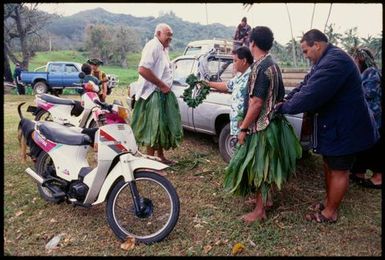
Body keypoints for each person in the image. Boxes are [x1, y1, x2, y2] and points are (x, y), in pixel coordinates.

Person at [275, 29, 379, 223]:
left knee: (339, 169)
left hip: (346, 126)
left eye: (306, 51)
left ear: (317, 45)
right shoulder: (324, 61)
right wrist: (286, 99)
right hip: (334, 125)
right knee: (329, 163)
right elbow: (305, 85)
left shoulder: (335, 62)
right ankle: (328, 201)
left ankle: (330, 213)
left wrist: (283, 108)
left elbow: (311, 95)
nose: (305, 56)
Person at [224, 26, 302, 223]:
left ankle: (260, 211)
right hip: (274, 124)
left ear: (253, 44)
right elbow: (279, 96)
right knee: (268, 166)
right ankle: (265, 201)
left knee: (260, 167)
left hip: (262, 127)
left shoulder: (260, 67)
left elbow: (256, 102)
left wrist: (243, 128)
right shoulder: (273, 65)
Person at [130, 23, 183, 165]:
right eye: (168, 34)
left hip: (161, 93)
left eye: (171, 35)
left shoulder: (163, 48)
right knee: (153, 128)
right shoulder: (153, 46)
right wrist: (161, 84)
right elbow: (142, 69)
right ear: (158, 33)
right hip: (153, 93)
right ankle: (150, 162)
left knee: (160, 128)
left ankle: (160, 157)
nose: (170, 38)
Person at [349, 47, 383, 189]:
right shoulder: (363, 73)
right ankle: (359, 173)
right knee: (364, 146)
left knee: (374, 148)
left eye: (354, 59)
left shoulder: (372, 73)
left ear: (361, 59)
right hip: (366, 117)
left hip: (374, 118)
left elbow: (369, 93)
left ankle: (378, 178)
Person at [205, 47, 253, 137]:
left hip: (244, 127)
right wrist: (208, 84)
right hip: (236, 125)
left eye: (235, 61)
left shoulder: (251, 77)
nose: (233, 64)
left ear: (244, 61)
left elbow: (254, 104)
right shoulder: (239, 76)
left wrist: (244, 127)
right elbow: (227, 86)